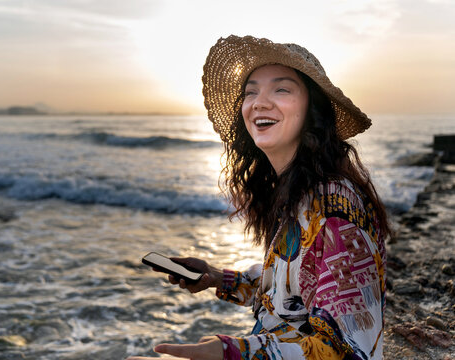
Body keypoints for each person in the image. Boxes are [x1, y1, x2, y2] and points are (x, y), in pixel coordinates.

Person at [127, 35, 389, 360]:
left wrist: (229, 353)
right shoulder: (299, 191)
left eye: (281, 89)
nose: (259, 103)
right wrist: (215, 277)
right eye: (251, 92)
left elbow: (346, 350)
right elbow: (290, 290)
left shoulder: (334, 209)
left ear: (313, 108)